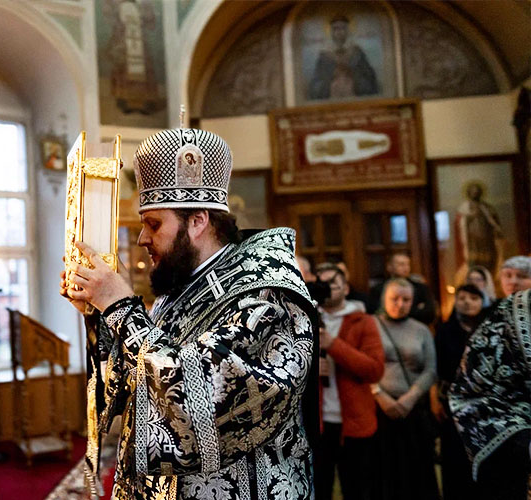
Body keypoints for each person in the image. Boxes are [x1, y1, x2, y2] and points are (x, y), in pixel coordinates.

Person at [61, 127, 318, 499]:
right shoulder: (181, 288)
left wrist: (119, 307)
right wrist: (97, 312)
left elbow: (202, 402)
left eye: (154, 224)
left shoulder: (265, 292)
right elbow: (137, 381)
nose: (142, 238)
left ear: (198, 221)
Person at [449, 259, 531, 500]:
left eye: (521, 275)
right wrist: (522, 441)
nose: (514, 281)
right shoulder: (510, 313)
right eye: (509, 275)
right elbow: (471, 392)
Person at [314, 263, 384, 500]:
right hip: (316, 424)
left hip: (354, 422)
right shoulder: (305, 319)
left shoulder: (364, 322)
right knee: (318, 489)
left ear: (346, 288)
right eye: (321, 284)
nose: (327, 290)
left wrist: (333, 345)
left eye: (332, 284)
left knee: (357, 489)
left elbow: (374, 370)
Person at [371, 278, 439, 500]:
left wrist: (411, 397)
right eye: (394, 299)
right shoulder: (370, 325)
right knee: (385, 473)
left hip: (413, 410)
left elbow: (430, 370)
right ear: (384, 299)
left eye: (406, 299)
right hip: (378, 410)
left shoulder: (421, 330)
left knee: (418, 473)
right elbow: (362, 364)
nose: (400, 304)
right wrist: (380, 395)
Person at [431, 284, 483, 500]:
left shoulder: (489, 330)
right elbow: (435, 369)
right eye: (462, 297)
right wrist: (435, 398)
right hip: (452, 405)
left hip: (484, 406)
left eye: (473, 297)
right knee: (454, 460)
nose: (467, 302)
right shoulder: (444, 331)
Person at [308, 14, 378, 100]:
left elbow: (370, 81)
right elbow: (315, 87)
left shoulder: (357, 53)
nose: (339, 32)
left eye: (343, 28)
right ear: (331, 32)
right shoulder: (324, 56)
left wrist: (353, 74)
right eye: (335, 29)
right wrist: (331, 75)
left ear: (348, 31)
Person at [367, 252, 436, 325]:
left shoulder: (421, 288)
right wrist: (415, 310)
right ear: (389, 267)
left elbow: (429, 314)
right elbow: (373, 313)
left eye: (407, 264)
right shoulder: (378, 289)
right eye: (401, 264)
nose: (406, 268)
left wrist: (396, 312)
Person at [454, 181, 503, 276]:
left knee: (488, 260)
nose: (475, 193)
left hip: (486, 239)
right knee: (474, 261)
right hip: (472, 241)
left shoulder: (487, 207)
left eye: (477, 192)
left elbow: (494, 222)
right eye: (473, 192)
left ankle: (490, 277)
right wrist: (470, 216)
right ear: (469, 193)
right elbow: (459, 223)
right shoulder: (464, 208)